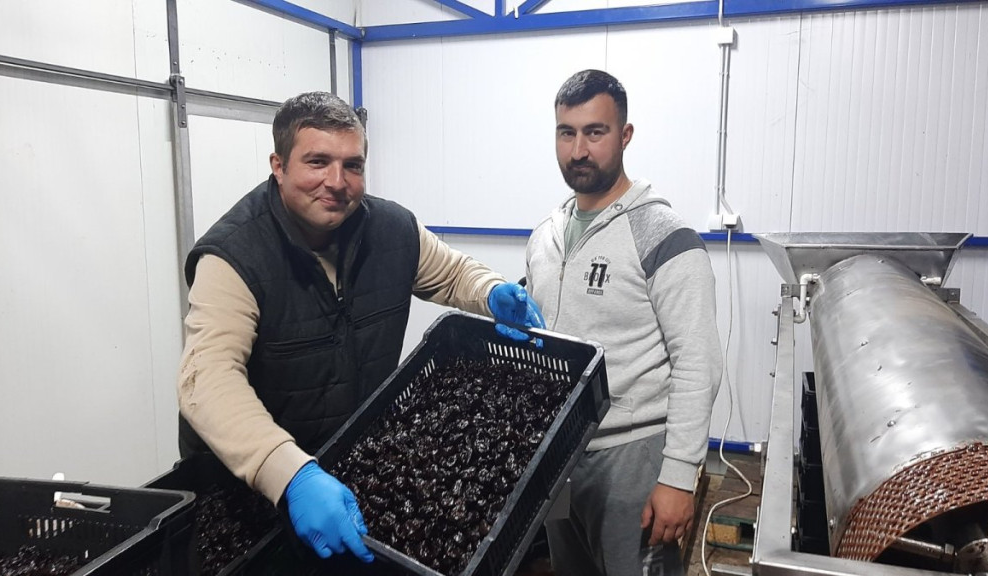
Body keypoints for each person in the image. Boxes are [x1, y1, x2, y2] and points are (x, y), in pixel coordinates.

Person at [176, 91, 543, 564]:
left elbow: (452, 274)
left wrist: (491, 293)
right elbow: (206, 379)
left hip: (348, 468)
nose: (337, 182)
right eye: (317, 162)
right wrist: (289, 473)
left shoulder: (390, 230)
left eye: (352, 165)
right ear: (278, 165)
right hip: (249, 490)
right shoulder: (234, 256)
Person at [526, 70, 722, 575]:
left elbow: (697, 362)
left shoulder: (664, 236)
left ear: (625, 135)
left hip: (633, 456)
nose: (578, 150)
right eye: (566, 133)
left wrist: (678, 475)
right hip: (560, 457)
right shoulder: (546, 235)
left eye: (595, 132)